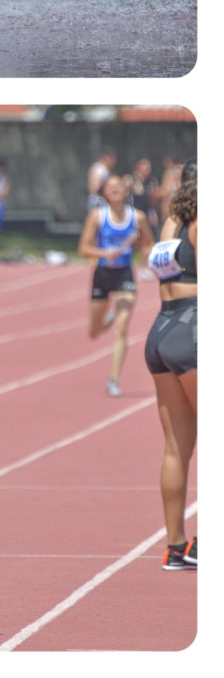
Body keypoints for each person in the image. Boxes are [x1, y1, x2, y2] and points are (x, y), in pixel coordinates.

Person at [144, 167, 196, 571]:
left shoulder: (172, 220)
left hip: (162, 328)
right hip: (195, 328)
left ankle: (176, 547)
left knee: (177, 446)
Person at [83, 170, 151, 399]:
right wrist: (104, 252)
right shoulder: (97, 216)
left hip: (124, 275)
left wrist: (145, 255)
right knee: (94, 332)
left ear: (125, 190)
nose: (114, 190)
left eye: (118, 186)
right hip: (102, 274)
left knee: (122, 329)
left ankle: (113, 379)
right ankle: (104, 321)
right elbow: (83, 248)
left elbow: (147, 244)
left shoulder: (137, 217)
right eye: (110, 187)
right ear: (104, 192)